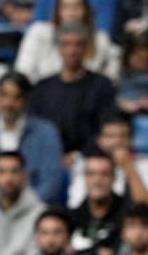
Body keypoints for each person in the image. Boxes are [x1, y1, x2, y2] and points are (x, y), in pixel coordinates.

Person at [28, 22, 119, 157]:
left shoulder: (102, 86)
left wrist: (78, 155)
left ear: (86, 48)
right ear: (58, 47)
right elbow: (36, 128)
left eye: (78, 44)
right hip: (48, 157)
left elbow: (105, 128)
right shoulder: (43, 88)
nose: (72, 50)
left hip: (91, 160)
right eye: (66, 44)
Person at [0, 71, 65, 205]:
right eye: (5, 96)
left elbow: (52, 180)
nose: (10, 103)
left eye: (16, 97)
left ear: (26, 101)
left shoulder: (46, 133)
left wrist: (26, 205)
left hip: (35, 207)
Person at [16, 0, 119, 84]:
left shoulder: (100, 39)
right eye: (66, 7)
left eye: (77, 6)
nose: (72, 13)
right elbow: (23, 71)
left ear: (86, 11)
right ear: (57, 11)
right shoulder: (39, 31)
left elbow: (114, 70)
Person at [67, 111, 148, 211]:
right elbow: (75, 206)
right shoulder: (87, 165)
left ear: (131, 139)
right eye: (110, 136)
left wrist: (129, 167)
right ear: (100, 140)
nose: (117, 142)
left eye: (123, 136)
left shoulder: (146, 165)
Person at [67, 151, 128, 255]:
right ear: (85, 178)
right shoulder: (72, 216)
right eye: (91, 174)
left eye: (104, 174)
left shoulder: (127, 214)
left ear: (114, 178)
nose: (97, 181)